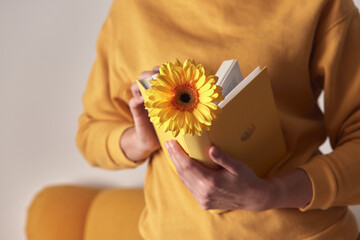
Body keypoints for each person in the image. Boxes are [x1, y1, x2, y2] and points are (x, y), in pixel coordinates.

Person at [76, 0, 360, 239]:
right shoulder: (132, 9)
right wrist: (140, 140)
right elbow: (91, 131)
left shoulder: (322, 5)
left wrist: (271, 193)